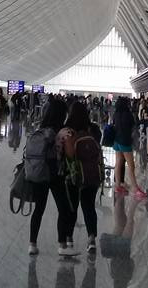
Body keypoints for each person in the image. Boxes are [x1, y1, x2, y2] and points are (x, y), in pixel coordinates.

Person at [26, 96, 76, 257]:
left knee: (38, 210)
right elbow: (69, 154)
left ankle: (32, 244)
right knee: (64, 209)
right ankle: (62, 244)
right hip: (55, 174)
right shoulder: (62, 132)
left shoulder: (39, 130)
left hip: (39, 172)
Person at [59, 101, 102, 253]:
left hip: (74, 175)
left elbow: (67, 154)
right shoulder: (93, 129)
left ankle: (69, 238)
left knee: (72, 206)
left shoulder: (68, 131)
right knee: (89, 206)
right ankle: (91, 239)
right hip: (92, 174)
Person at [112, 97, 146, 199]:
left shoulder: (116, 114)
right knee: (131, 166)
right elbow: (132, 126)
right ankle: (135, 189)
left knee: (118, 163)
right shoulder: (128, 115)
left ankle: (118, 186)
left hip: (116, 141)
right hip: (125, 142)